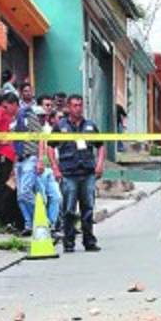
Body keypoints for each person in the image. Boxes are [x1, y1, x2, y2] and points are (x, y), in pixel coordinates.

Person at [56, 95, 106, 252]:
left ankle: (89, 241)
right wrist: (55, 168)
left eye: (80, 105)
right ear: (69, 107)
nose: (78, 108)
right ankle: (69, 242)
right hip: (69, 173)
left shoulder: (90, 126)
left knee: (88, 208)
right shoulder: (60, 126)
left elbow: (101, 145)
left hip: (87, 173)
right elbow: (50, 147)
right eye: (75, 105)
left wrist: (99, 164)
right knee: (69, 210)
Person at [14, 90, 62, 240]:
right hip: (35, 164)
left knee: (55, 197)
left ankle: (50, 223)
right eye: (39, 114)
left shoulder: (50, 129)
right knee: (24, 195)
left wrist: (54, 166)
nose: (43, 117)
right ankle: (35, 223)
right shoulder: (24, 125)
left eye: (44, 114)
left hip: (47, 167)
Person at [0, 92, 22, 229]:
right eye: (15, 105)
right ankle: (5, 218)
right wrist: (0, 137)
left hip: (11, 155)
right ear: (10, 104)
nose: (16, 109)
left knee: (12, 186)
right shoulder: (1, 111)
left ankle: (12, 219)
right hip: (4, 155)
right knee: (6, 187)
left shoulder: (11, 116)